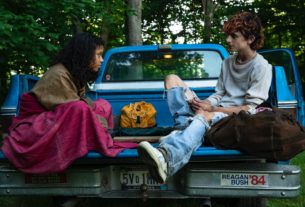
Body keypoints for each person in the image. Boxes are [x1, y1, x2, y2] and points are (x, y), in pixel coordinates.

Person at [137, 11, 272, 183]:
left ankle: (167, 158)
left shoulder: (262, 66)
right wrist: (205, 102)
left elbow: (250, 108)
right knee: (171, 79)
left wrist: (212, 109)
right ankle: (186, 126)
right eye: (228, 36)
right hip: (214, 111)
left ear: (250, 39)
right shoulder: (228, 62)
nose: (228, 40)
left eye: (234, 36)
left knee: (205, 115)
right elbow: (220, 93)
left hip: (235, 117)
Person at [1, 32, 137, 174]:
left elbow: (83, 104)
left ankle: (98, 138)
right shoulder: (59, 75)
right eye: (98, 55)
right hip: (34, 129)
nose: (101, 60)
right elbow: (74, 109)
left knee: (103, 104)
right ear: (84, 56)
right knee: (80, 108)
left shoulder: (75, 74)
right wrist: (101, 124)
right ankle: (97, 140)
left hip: (56, 119)